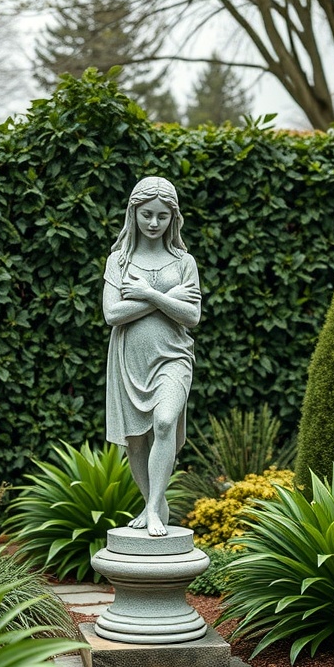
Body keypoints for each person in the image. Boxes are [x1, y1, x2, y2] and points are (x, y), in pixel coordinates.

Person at [103, 176, 201, 536]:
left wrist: (147, 293)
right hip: (130, 361)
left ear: (173, 217)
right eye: (147, 215)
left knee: (164, 422)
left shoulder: (183, 261)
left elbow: (191, 317)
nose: (154, 223)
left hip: (174, 357)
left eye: (162, 216)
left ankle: (153, 510)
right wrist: (165, 297)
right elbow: (111, 314)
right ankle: (153, 504)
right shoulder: (119, 259)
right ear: (134, 213)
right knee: (136, 439)